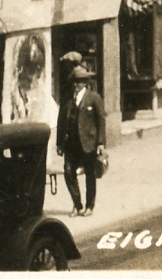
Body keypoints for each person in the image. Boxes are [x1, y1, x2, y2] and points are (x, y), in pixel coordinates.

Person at [57, 66, 106, 218]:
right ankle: (77, 205)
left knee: (90, 175)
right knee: (68, 172)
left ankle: (89, 205)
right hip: (71, 143)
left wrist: (100, 143)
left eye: (79, 82)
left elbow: (101, 121)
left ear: (85, 82)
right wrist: (59, 143)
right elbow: (61, 121)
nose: (76, 85)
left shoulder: (94, 98)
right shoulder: (67, 100)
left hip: (88, 143)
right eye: (74, 81)